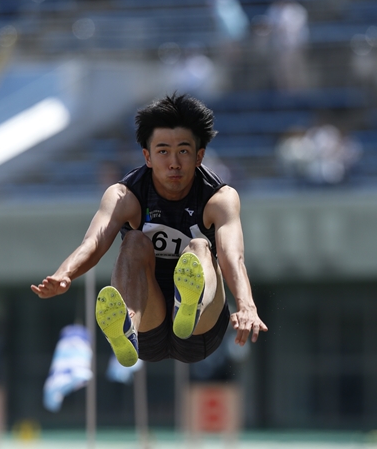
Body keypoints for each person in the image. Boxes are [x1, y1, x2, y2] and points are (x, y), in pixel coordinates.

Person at [31, 93, 267, 365]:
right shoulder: (125, 195)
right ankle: (127, 325)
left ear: (199, 156)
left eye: (184, 151)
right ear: (148, 156)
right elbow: (94, 242)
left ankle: (189, 304)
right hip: (148, 326)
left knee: (201, 247)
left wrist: (246, 304)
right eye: (163, 151)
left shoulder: (219, 198)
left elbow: (231, 256)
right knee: (132, 241)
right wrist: (64, 274)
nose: (174, 163)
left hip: (200, 331)